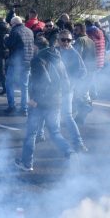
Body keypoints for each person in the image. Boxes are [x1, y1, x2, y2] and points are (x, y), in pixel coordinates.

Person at [15, 38, 75, 172]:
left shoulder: (38, 60)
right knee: (55, 132)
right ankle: (69, 151)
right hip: (56, 102)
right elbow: (66, 82)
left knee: (31, 133)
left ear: (36, 46)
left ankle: (26, 163)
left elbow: (44, 81)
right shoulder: (57, 58)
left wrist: (35, 99)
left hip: (41, 103)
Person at [54, 31, 88, 150]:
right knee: (49, 113)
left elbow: (83, 71)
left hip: (67, 90)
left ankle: (78, 143)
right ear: (58, 40)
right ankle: (45, 135)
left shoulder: (73, 53)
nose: (66, 43)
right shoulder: (54, 51)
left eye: (68, 40)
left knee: (67, 115)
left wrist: (72, 82)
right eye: (63, 40)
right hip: (53, 89)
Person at [3, 17, 36, 114]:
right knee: (24, 86)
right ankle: (24, 108)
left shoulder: (14, 31)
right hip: (28, 62)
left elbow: (9, 44)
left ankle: (12, 106)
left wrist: (5, 38)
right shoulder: (30, 31)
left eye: (11, 24)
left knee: (9, 84)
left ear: (14, 23)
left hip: (16, 62)